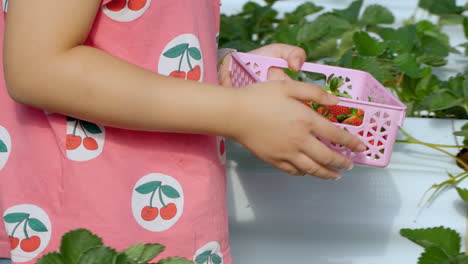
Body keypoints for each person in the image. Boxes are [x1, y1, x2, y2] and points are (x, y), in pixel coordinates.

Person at [0, 0, 366, 263]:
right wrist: (237, 112)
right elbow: (39, 66)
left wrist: (221, 69)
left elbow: (131, 40)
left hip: (158, 230)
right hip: (85, 238)